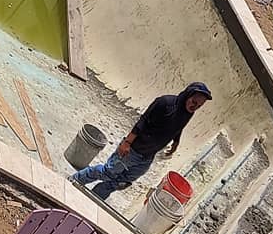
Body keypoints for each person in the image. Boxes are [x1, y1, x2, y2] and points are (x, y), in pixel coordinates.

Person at [72, 83, 212, 200]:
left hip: (147, 157)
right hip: (132, 150)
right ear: (188, 95)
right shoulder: (165, 103)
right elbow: (143, 122)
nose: (195, 107)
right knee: (107, 173)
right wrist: (127, 143)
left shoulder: (188, 113)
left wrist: (176, 143)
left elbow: (178, 126)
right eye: (194, 102)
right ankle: (75, 180)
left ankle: (93, 198)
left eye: (199, 106)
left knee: (120, 182)